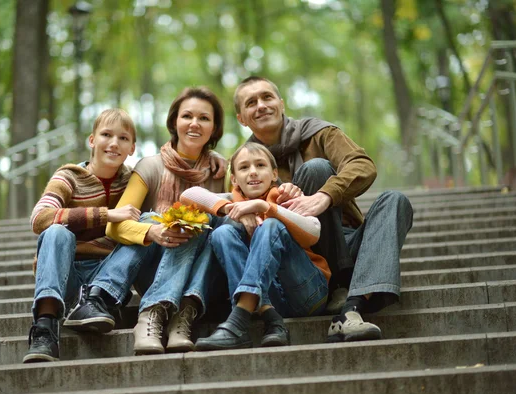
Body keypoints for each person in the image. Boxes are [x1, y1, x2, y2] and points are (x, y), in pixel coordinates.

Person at [232, 76, 413, 342]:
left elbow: (362, 165)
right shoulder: (244, 162)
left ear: (281, 104)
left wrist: (326, 195)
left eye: (267, 97)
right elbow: (229, 198)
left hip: (347, 240)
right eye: (251, 102)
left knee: (395, 199)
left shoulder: (318, 132)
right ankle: (338, 286)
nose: (261, 105)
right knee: (315, 169)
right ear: (241, 118)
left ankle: (351, 307)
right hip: (304, 261)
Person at [106, 87, 228, 355]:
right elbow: (114, 225)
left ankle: (183, 317)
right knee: (169, 219)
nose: (194, 124)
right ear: (175, 122)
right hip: (156, 270)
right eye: (187, 116)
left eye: (204, 118)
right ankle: (151, 314)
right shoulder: (150, 166)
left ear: (215, 128)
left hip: (204, 281)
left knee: (214, 222)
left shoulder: (223, 172)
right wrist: (155, 232)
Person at [180, 142, 330, 350]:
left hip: (307, 293)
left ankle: (239, 319)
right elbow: (188, 195)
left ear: (274, 173)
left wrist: (265, 207)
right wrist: (236, 209)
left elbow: (313, 233)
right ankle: (270, 316)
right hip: (270, 299)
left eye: (260, 165)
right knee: (222, 232)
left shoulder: (287, 197)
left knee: (271, 226)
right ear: (234, 179)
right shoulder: (230, 199)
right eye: (244, 168)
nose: (252, 172)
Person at [23, 108, 142, 363]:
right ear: (92, 140)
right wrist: (107, 215)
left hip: (108, 280)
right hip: (71, 278)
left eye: (123, 138)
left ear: (132, 148)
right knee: (56, 232)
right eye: (106, 135)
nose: (113, 143)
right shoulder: (69, 176)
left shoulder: (134, 181)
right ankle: (45, 328)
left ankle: (99, 299)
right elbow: (39, 218)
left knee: (147, 224)